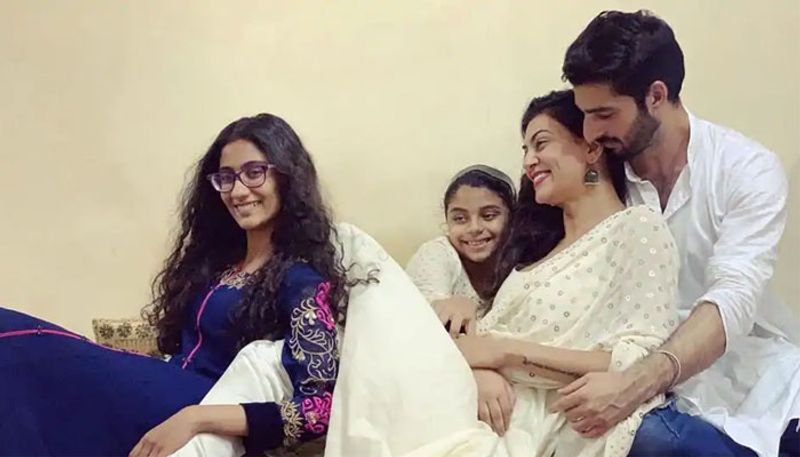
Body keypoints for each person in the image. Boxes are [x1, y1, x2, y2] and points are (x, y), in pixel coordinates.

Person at [325, 90, 681, 457]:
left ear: (591, 148)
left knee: (358, 254)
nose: (528, 161)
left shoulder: (636, 228)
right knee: (362, 279)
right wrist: (480, 369)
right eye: (525, 149)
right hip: (477, 395)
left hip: (530, 423)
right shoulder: (536, 250)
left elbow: (640, 361)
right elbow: (485, 338)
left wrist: (506, 355)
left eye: (540, 144)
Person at [0, 113, 350, 456]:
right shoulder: (218, 265)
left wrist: (197, 418)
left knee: (20, 344)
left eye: (254, 172)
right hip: (167, 388)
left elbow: (318, 412)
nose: (238, 190)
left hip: (203, 405)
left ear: (287, 177)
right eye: (226, 177)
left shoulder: (301, 282)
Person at [554, 10, 800, 456]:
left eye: (604, 114)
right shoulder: (597, 177)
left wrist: (636, 383)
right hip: (650, 395)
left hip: (755, 377)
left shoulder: (746, 169)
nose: (590, 131)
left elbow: (734, 295)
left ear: (656, 95)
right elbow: (530, 247)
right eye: (584, 114)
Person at [406, 165, 515, 337]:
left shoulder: (521, 263)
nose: (474, 228)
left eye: (488, 216)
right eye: (460, 218)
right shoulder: (437, 254)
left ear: (512, 218)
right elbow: (421, 318)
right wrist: (454, 305)